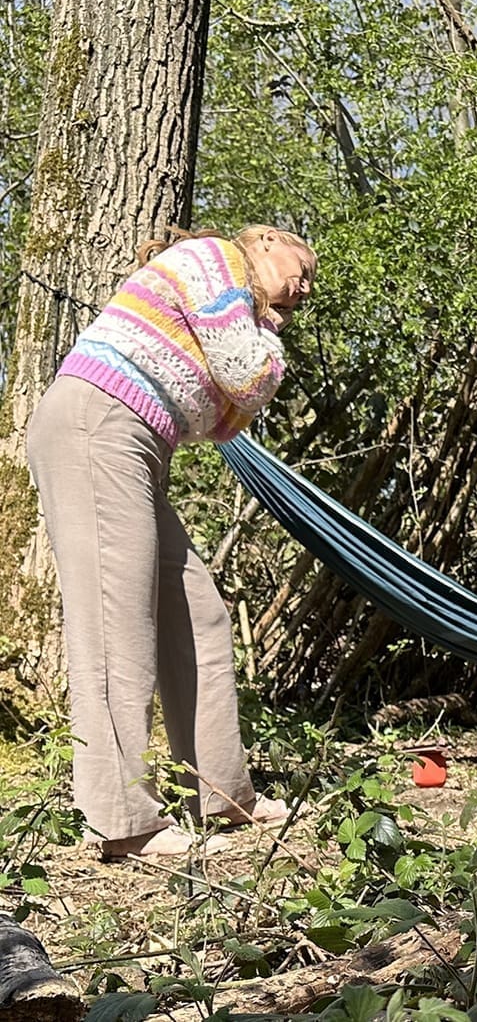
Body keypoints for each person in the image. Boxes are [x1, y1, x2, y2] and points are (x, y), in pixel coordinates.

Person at [26, 227, 314, 859]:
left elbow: (225, 420)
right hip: (97, 426)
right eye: (302, 266)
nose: (305, 285)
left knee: (198, 611)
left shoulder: (236, 297)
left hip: (136, 442)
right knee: (115, 623)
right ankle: (125, 820)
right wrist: (269, 337)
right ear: (264, 241)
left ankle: (218, 792)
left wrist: (258, 349)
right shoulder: (215, 261)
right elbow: (248, 379)